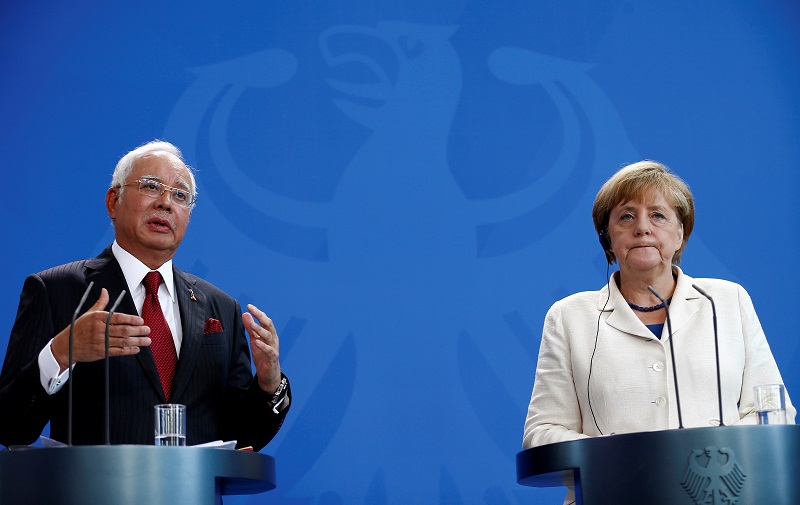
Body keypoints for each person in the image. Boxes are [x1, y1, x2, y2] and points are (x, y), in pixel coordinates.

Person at [522, 160, 794, 503]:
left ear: (680, 233)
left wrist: (705, 453)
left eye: (658, 215)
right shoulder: (569, 317)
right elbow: (541, 433)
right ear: (608, 238)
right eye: (626, 216)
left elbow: (773, 413)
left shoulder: (727, 301)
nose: (642, 228)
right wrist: (623, 453)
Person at [0, 140, 290, 450]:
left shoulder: (220, 308)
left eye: (180, 195)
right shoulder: (56, 290)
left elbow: (244, 438)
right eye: (151, 187)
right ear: (114, 201)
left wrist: (269, 382)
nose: (166, 203)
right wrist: (60, 353)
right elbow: (10, 428)